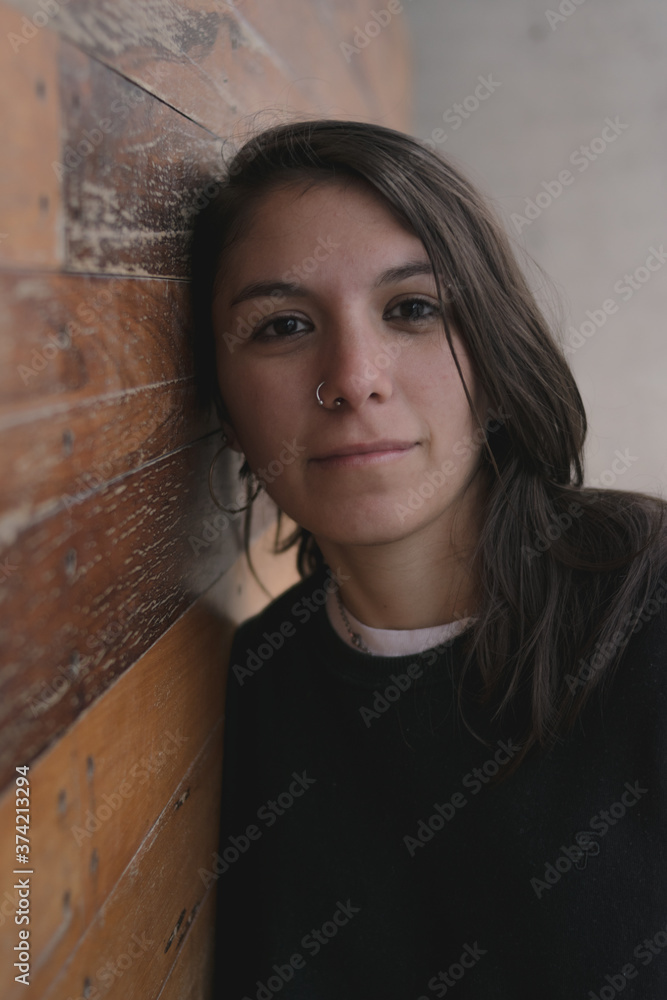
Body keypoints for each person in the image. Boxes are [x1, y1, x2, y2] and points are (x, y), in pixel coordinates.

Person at [189, 118, 667, 999]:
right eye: (282, 325)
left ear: (493, 349)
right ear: (222, 407)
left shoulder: (650, 615)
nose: (354, 375)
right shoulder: (259, 685)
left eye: (412, 309)